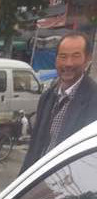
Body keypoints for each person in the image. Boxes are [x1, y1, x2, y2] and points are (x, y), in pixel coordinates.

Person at [21, 32, 97, 173]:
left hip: (69, 182)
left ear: (87, 59)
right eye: (63, 56)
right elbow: (34, 148)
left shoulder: (93, 100)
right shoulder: (47, 97)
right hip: (39, 178)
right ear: (56, 59)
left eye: (75, 56)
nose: (68, 63)